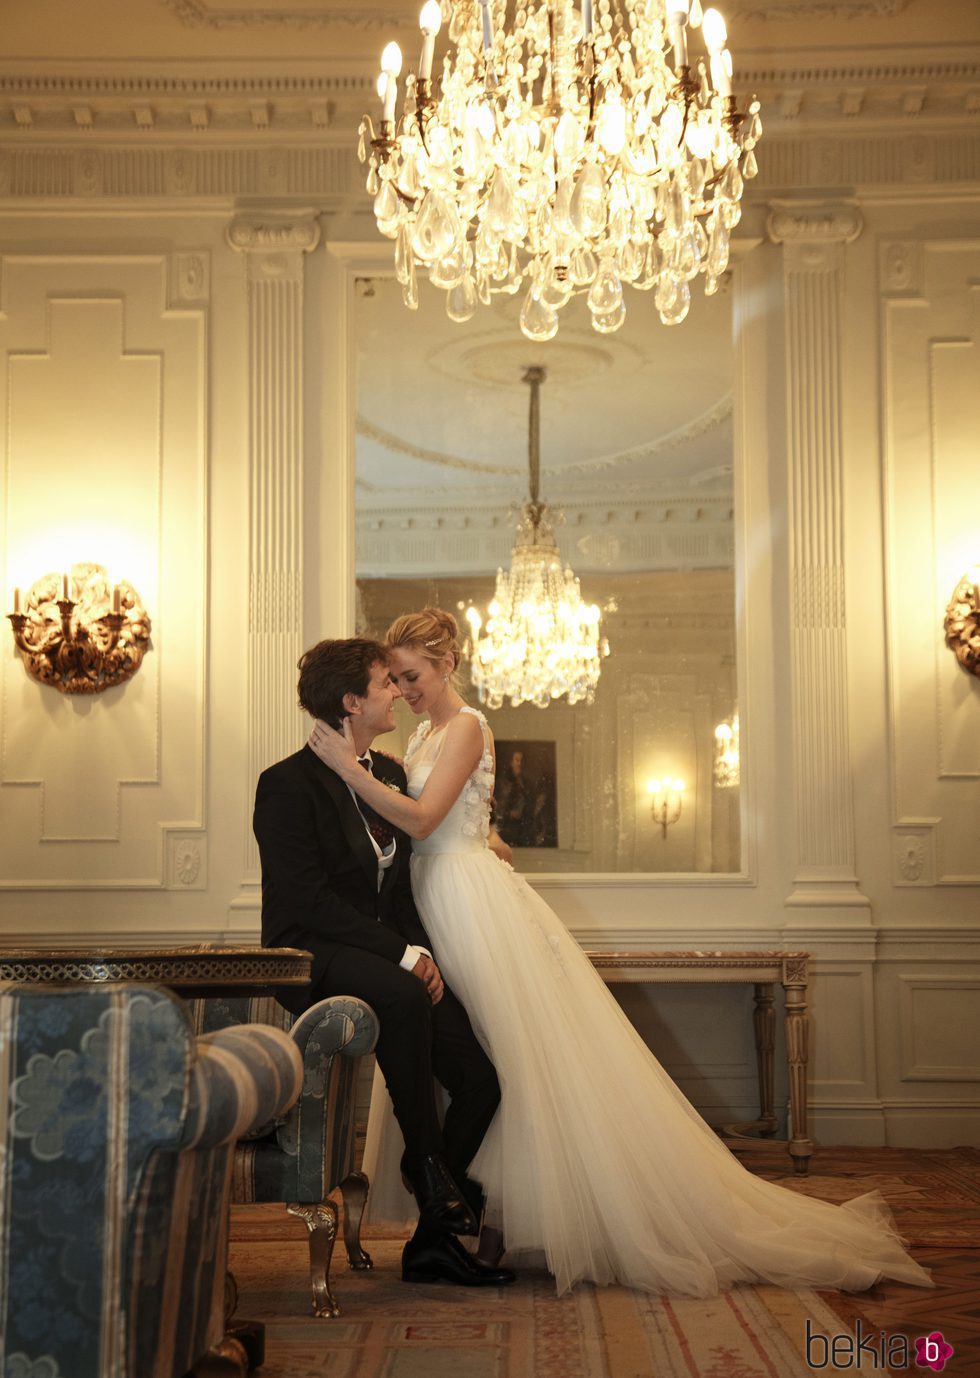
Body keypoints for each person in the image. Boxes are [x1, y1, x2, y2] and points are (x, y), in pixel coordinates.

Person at [306, 609, 934, 1299]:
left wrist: (348, 771)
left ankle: (477, 1222)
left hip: (468, 905)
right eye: (394, 678)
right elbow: (449, 824)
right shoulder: (421, 735)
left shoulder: (466, 727)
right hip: (432, 902)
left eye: (413, 675)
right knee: (475, 1063)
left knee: (512, 1058)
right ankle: (472, 1219)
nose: (405, 688)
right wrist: (480, 838)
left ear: (448, 664)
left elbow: (425, 821)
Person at [253, 636, 514, 1288]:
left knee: (481, 1080)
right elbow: (307, 903)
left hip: (382, 952)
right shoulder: (284, 785)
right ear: (351, 702)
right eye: (383, 684)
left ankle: (431, 1241)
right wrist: (404, 956)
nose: (396, 691)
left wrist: (425, 952)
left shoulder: (388, 774)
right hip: (309, 955)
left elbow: (397, 890)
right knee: (401, 995)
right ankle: (429, 1170)